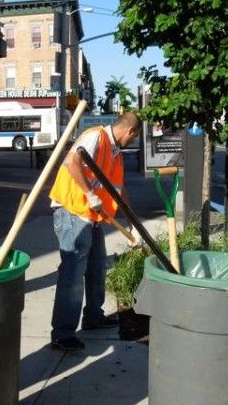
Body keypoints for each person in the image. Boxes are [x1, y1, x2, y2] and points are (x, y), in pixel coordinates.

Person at [48, 112, 142, 351]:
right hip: (72, 211)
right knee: (73, 271)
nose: (133, 141)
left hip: (93, 217)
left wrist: (132, 224)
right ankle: (63, 333)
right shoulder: (95, 137)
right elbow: (72, 162)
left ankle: (93, 317)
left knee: (97, 266)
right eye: (135, 137)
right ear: (130, 131)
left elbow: (119, 191)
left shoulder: (115, 154)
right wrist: (89, 193)